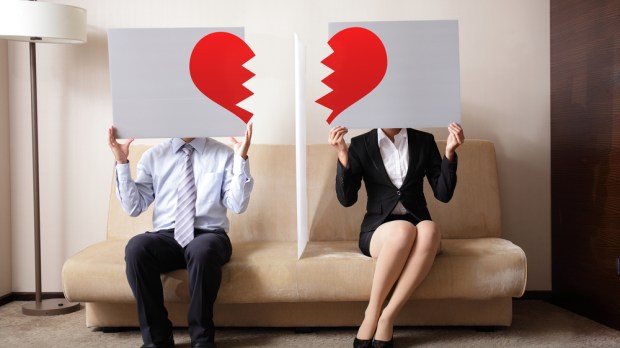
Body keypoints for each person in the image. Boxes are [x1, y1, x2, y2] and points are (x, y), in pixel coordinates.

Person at [108, 123, 254, 348]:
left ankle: (202, 338)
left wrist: (241, 159)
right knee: (136, 248)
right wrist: (121, 162)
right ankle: (157, 339)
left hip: (210, 235)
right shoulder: (153, 156)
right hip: (167, 236)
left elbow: (236, 205)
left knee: (201, 249)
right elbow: (133, 207)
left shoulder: (224, 154)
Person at [329, 123, 464, 348]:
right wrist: (343, 154)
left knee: (430, 229)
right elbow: (347, 199)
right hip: (378, 230)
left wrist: (449, 154)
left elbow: (443, 194)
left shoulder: (424, 140)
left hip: (418, 226)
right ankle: (372, 313)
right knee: (403, 229)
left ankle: (387, 317)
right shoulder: (361, 144)